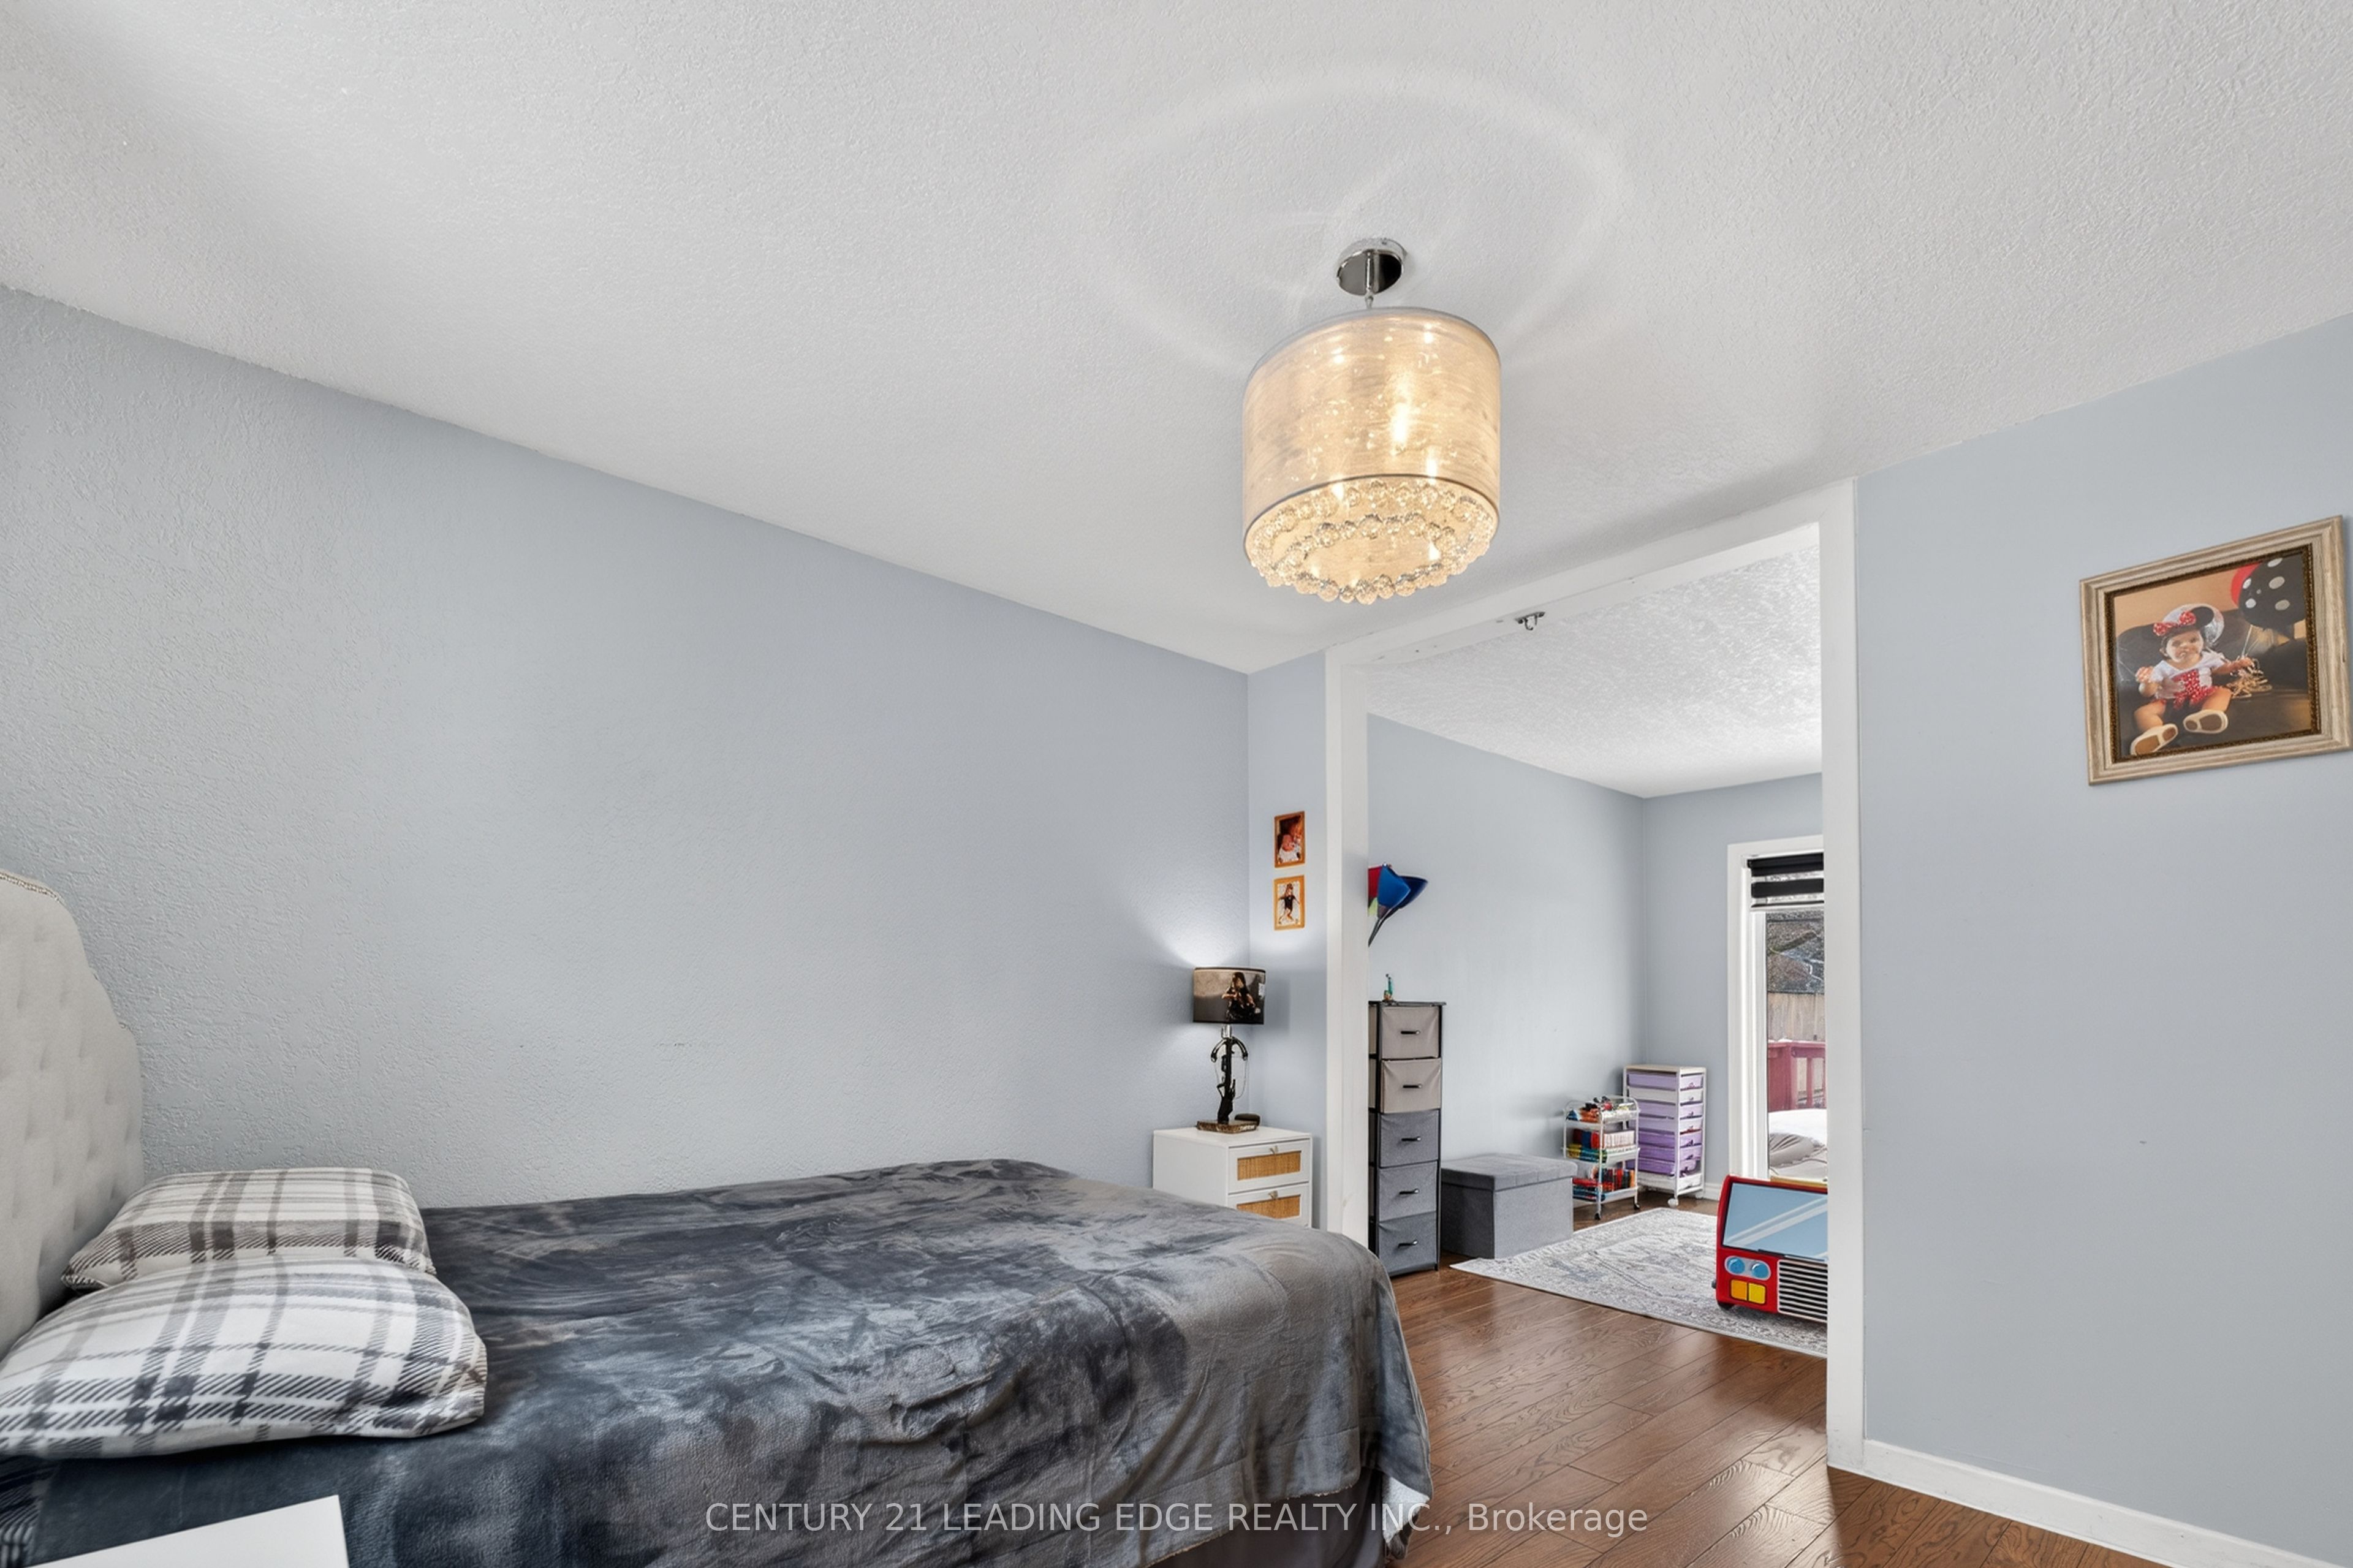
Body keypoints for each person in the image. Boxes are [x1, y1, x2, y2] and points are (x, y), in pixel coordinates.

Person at [2130, 608, 2254, 756]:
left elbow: (2221, 669)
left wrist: (2235, 665)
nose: (2185, 646)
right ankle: (2156, 732)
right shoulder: (2162, 668)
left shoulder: (2208, 658)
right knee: (2142, 712)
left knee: (2223, 693)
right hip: (2170, 703)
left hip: (2202, 696)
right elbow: (2147, 693)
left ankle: (2207, 716)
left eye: (2193, 640)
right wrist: (2147, 682)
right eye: (2176, 644)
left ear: (2202, 642)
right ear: (2165, 651)